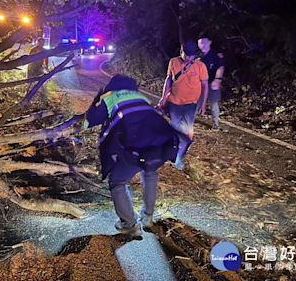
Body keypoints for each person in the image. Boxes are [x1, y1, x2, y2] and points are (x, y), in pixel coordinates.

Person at [84, 74, 188, 236]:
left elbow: (89, 121)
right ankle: (148, 216)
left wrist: (97, 99)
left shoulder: (109, 96)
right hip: (162, 144)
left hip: (135, 146)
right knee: (149, 172)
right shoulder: (140, 96)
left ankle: (129, 224)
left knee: (117, 182)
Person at [158, 41, 209, 169]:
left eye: (191, 56)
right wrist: (163, 98)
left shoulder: (200, 66)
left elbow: (205, 85)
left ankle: (181, 155)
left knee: (187, 129)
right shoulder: (173, 62)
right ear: (181, 51)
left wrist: (203, 104)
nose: (189, 58)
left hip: (191, 104)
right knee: (174, 128)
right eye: (186, 55)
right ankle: (172, 153)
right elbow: (169, 80)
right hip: (175, 102)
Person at [197, 37, 225, 130]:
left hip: (212, 83)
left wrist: (217, 79)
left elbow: (220, 67)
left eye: (204, 42)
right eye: (200, 43)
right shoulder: (199, 56)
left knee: (214, 104)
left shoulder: (215, 55)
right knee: (196, 102)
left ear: (209, 42)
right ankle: (190, 120)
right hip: (200, 84)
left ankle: (216, 124)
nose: (202, 45)